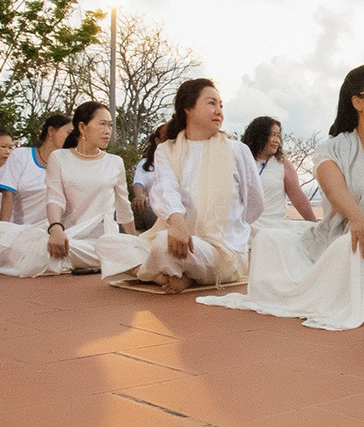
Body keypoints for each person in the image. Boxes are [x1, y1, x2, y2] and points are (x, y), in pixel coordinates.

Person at [199, 65, 364, 330]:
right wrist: (358, 219)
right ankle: (315, 290)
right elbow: (332, 186)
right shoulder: (335, 146)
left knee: (352, 248)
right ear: (357, 101)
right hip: (342, 238)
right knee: (270, 240)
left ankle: (356, 276)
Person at [99, 80, 264, 293]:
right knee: (108, 243)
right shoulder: (167, 150)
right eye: (211, 103)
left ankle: (164, 273)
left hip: (221, 251)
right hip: (175, 238)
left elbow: (255, 204)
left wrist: (229, 229)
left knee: (161, 244)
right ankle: (167, 276)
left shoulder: (237, 150)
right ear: (188, 108)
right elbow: (164, 189)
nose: (218, 111)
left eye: (221, 105)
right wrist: (177, 223)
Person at [0, 101, 133, 277]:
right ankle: (54, 254)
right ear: (83, 127)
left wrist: (134, 242)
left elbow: (124, 208)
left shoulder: (114, 162)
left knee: (47, 250)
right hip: (62, 234)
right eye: (102, 124)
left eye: (110, 125)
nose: (108, 131)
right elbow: (54, 199)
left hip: (99, 241)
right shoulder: (59, 157)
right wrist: (55, 229)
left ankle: (46, 254)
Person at [0, 114, 71, 228]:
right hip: (20, 230)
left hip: (55, 231)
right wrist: (2, 229)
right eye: (69, 133)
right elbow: (7, 194)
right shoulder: (21, 155)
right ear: (51, 131)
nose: (73, 138)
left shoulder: (69, 164)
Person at [240, 115, 317, 227]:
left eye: (278, 136)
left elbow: (299, 199)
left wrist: (315, 225)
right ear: (260, 135)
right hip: (244, 229)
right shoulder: (242, 160)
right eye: (273, 135)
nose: (277, 141)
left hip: (275, 230)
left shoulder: (282, 164)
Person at [130, 123, 166, 231]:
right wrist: (140, 196)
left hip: (175, 214)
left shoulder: (179, 162)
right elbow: (138, 183)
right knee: (121, 213)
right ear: (157, 141)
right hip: (153, 211)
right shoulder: (146, 164)